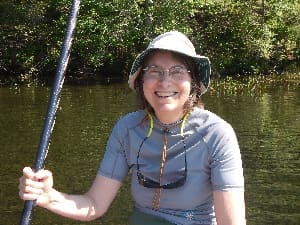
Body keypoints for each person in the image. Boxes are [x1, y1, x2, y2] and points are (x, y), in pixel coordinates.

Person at [19, 31, 246, 225]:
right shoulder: (127, 128)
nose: (165, 81)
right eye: (154, 70)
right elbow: (94, 205)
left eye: (178, 71)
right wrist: (48, 197)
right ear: (141, 81)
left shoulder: (217, 134)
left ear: (193, 82)